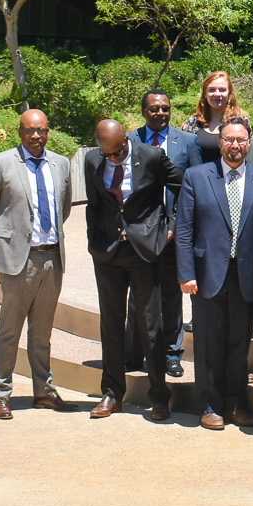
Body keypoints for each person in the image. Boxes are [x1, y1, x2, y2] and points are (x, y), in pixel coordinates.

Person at [176, 117, 253, 431]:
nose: (235, 145)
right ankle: (209, 406)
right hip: (207, 274)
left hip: (247, 275)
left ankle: (235, 405)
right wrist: (186, 273)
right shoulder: (197, 176)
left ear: (249, 144)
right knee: (209, 342)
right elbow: (184, 230)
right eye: (229, 139)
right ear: (219, 143)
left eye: (241, 140)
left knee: (238, 342)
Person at [0, 109, 74, 419]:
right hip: (19, 260)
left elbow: (64, 207)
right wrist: (5, 241)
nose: (36, 136)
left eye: (41, 130)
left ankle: (43, 391)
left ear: (48, 131)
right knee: (9, 331)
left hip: (52, 258)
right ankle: (0, 394)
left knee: (42, 332)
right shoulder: (1, 163)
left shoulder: (61, 163)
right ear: (20, 132)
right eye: (30, 130)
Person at [82, 118, 180, 419]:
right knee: (111, 325)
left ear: (126, 139)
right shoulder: (93, 160)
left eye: (118, 152)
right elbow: (93, 205)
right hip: (108, 253)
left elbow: (182, 186)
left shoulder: (151, 156)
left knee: (150, 326)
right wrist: (94, 241)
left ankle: (159, 396)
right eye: (108, 154)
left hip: (144, 251)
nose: (114, 159)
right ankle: (112, 394)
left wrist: (170, 226)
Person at [129, 90, 201, 379]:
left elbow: (193, 187)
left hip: (174, 230)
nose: (160, 113)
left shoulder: (188, 142)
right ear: (144, 112)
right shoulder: (130, 140)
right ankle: (136, 352)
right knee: (139, 295)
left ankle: (172, 354)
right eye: (154, 109)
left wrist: (175, 225)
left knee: (171, 295)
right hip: (138, 232)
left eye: (165, 108)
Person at [184, 71, 244, 166]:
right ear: (205, 94)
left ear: (229, 93)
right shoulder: (193, 122)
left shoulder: (241, 123)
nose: (217, 94)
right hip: (199, 174)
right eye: (211, 90)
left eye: (222, 90)